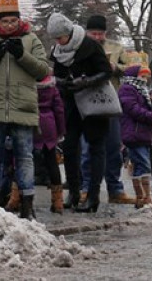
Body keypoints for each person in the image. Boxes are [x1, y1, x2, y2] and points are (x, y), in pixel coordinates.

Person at [0, 0, 49, 219]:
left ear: (19, 20)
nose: (8, 25)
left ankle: (27, 202)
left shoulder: (31, 39)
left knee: (25, 156)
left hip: (22, 106)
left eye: (12, 21)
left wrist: (22, 55)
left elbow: (43, 70)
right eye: (4, 21)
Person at [46, 12, 111, 213]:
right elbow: (57, 76)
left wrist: (87, 81)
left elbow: (106, 71)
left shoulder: (89, 45)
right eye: (55, 39)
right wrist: (63, 83)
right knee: (70, 147)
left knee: (96, 148)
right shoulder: (58, 50)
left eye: (60, 37)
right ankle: (73, 192)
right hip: (71, 103)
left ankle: (93, 195)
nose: (58, 42)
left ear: (68, 32)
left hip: (94, 103)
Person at [81, 15, 134, 205]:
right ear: (87, 32)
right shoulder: (79, 46)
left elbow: (129, 68)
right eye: (93, 33)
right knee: (88, 148)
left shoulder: (116, 47)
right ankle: (86, 187)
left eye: (100, 33)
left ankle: (115, 189)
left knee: (113, 147)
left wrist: (115, 67)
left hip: (111, 102)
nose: (97, 37)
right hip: (87, 102)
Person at [118, 65, 152, 209]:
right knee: (143, 163)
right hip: (134, 132)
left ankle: (144, 198)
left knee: (142, 164)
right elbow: (133, 109)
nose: (145, 80)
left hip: (141, 132)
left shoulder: (141, 90)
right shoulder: (127, 89)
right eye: (143, 76)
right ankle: (143, 197)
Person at [34, 72, 66, 214]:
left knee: (24, 160)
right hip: (49, 124)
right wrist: (60, 130)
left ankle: (16, 197)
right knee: (52, 161)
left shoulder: (28, 84)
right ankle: (58, 202)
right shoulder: (52, 87)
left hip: (32, 122)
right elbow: (59, 110)